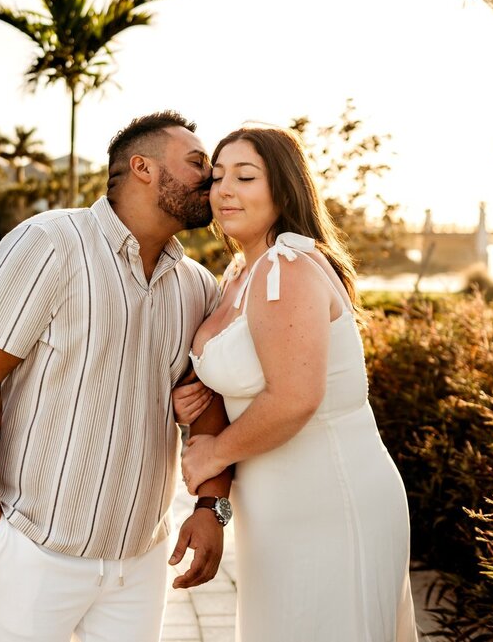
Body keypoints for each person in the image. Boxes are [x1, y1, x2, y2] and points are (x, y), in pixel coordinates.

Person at [0, 110, 234, 642]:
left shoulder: (198, 285)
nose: (212, 177)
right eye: (198, 162)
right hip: (32, 553)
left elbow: (207, 403)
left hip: (141, 563)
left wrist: (210, 507)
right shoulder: (47, 243)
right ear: (143, 167)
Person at [174, 125, 418, 642]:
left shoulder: (286, 267)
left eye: (245, 176)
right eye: (217, 177)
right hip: (275, 510)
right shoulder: (243, 270)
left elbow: (294, 398)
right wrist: (193, 395)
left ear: (283, 189)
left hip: (328, 498)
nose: (225, 190)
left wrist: (214, 454)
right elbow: (236, 380)